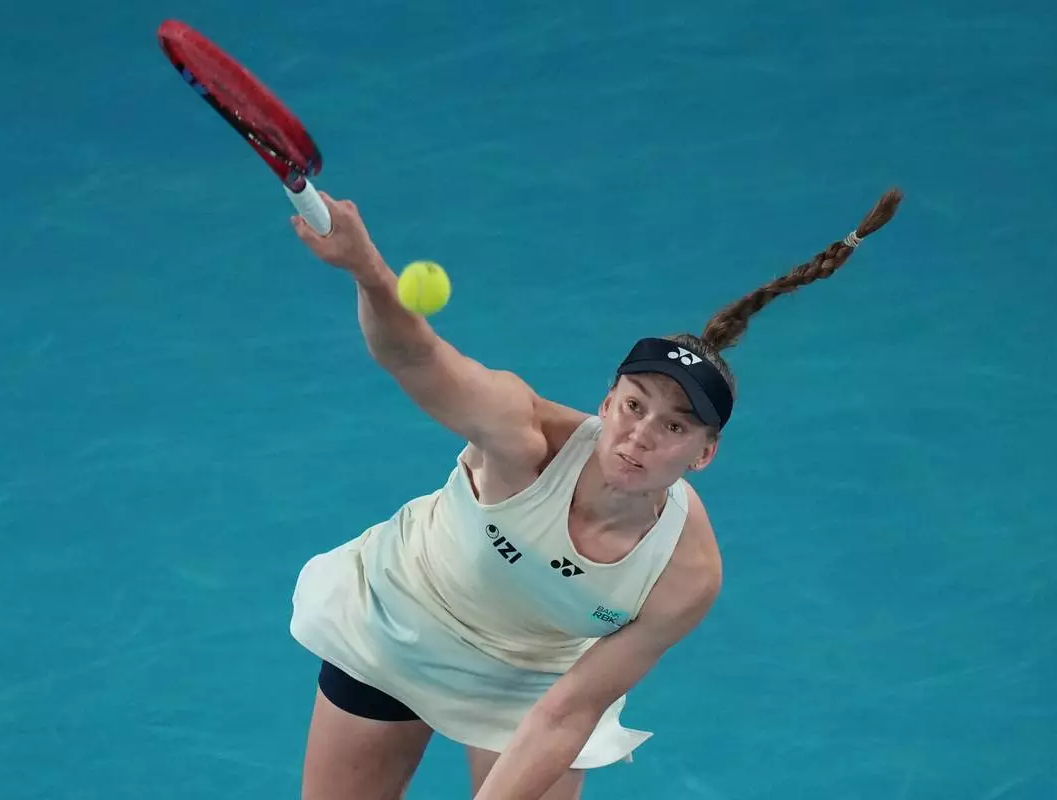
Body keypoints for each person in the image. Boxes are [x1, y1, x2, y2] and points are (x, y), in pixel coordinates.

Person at [286, 188, 903, 800]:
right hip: (406, 614)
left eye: (675, 427)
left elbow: (568, 713)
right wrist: (369, 271)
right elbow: (416, 356)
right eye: (634, 406)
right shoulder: (523, 437)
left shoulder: (685, 571)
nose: (641, 435)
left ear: (704, 453)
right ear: (607, 403)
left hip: (536, 678)